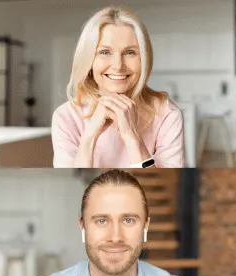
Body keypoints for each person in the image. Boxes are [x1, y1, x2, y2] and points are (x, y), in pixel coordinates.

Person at [10, 169, 213, 276]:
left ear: (145, 226)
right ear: (83, 227)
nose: (115, 237)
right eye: (101, 221)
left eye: (128, 220)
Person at [53, 7, 184, 168]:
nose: (118, 65)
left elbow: (157, 188)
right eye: (104, 52)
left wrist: (132, 137)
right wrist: (89, 137)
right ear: (88, 59)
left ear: (144, 58)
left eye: (129, 52)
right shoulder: (66, 117)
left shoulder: (167, 115)